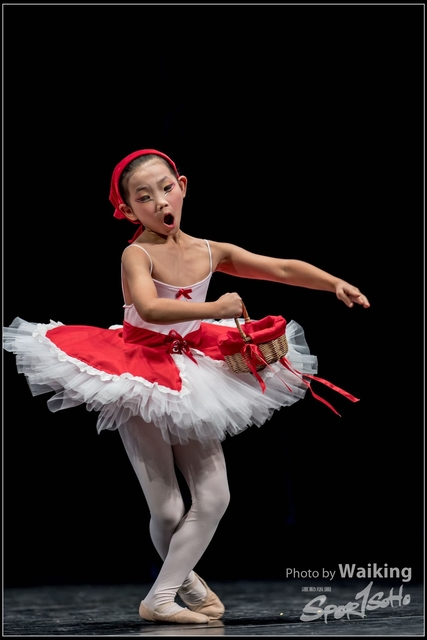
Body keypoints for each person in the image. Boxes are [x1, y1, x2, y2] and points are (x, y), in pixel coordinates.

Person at [4, 149, 370, 625]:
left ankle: (164, 593)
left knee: (214, 498)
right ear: (128, 210)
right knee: (168, 508)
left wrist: (334, 282)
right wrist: (215, 309)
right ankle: (173, 591)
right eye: (143, 197)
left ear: (182, 186)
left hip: (193, 370)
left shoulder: (209, 251)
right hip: (138, 371)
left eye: (165, 189)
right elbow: (150, 309)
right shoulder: (136, 253)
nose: (159, 201)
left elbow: (279, 268)